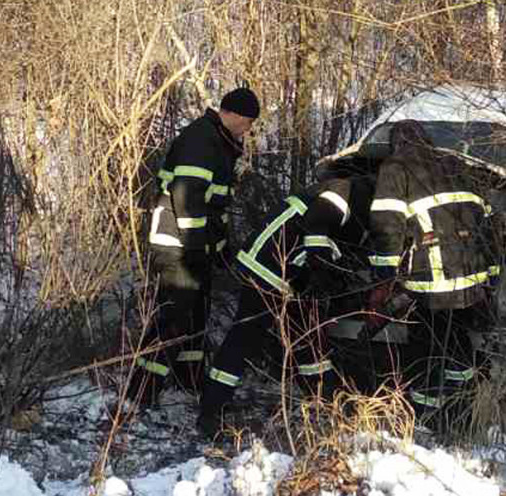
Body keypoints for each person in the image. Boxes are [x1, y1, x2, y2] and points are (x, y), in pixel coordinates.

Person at [197, 175, 376, 436]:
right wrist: (322, 273)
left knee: (307, 338)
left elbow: (333, 244)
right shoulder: (350, 190)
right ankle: (211, 412)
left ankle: (329, 404)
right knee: (244, 339)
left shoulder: (353, 198)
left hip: (287, 273)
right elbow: (318, 224)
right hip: (268, 267)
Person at [127, 87, 261, 408]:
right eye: (248, 123)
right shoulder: (202, 140)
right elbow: (187, 199)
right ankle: (141, 392)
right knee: (173, 315)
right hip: (178, 245)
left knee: (196, 316)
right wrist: (197, 248)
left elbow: (214, 206)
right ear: (237, 115)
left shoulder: (219, 142)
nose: (249, 130)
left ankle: (189, 381)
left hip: (195, 246)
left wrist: (222, 247)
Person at [365, 120, 499, 430]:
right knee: (458, 344)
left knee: (425, 349)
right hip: (471, 276)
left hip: (433, 280)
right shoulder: (454, 163)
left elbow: (387, 225)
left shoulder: (395, 167)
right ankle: (464, 412)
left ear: (395, 145)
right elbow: (488, 222)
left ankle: (427, 421)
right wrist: (492, 276)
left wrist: (383, 280)